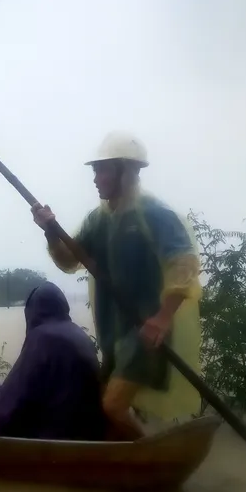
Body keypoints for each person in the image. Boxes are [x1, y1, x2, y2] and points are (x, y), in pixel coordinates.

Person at [32, 131, 202, 438]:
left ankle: (150, 460)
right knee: (100, 404)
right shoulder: (97, 220)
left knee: (112, 406)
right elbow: (70, 261)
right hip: (114, 331)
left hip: (146, 331)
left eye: (103, 170)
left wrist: (163, 318)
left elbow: (184, 265)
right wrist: (49, 231)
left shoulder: (154, 214)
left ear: (127, 172)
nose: (96, 178)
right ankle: (122, 462)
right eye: (95, 170)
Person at [0, 283, 108, 442]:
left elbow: (17, 390)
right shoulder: (79, 334)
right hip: (90, 433)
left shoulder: (43, 337)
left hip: (55, 437)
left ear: (32, 311)